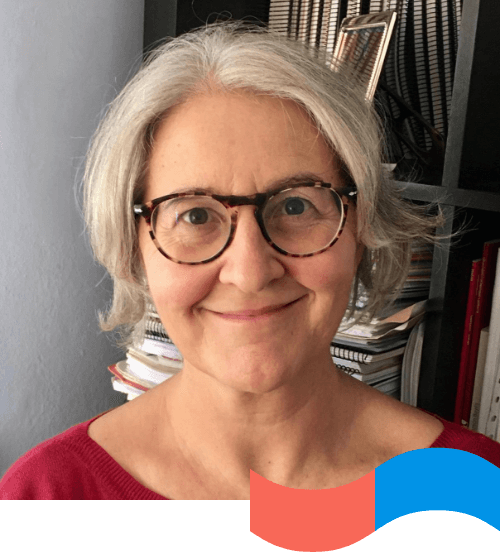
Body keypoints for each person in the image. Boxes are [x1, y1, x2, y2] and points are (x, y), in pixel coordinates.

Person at [2, 20, 500, 501]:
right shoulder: (47, 489)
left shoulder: (477, 490)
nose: (250, 272)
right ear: (135, 246)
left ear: (361, 224)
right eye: (196, 215)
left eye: (296, 206)